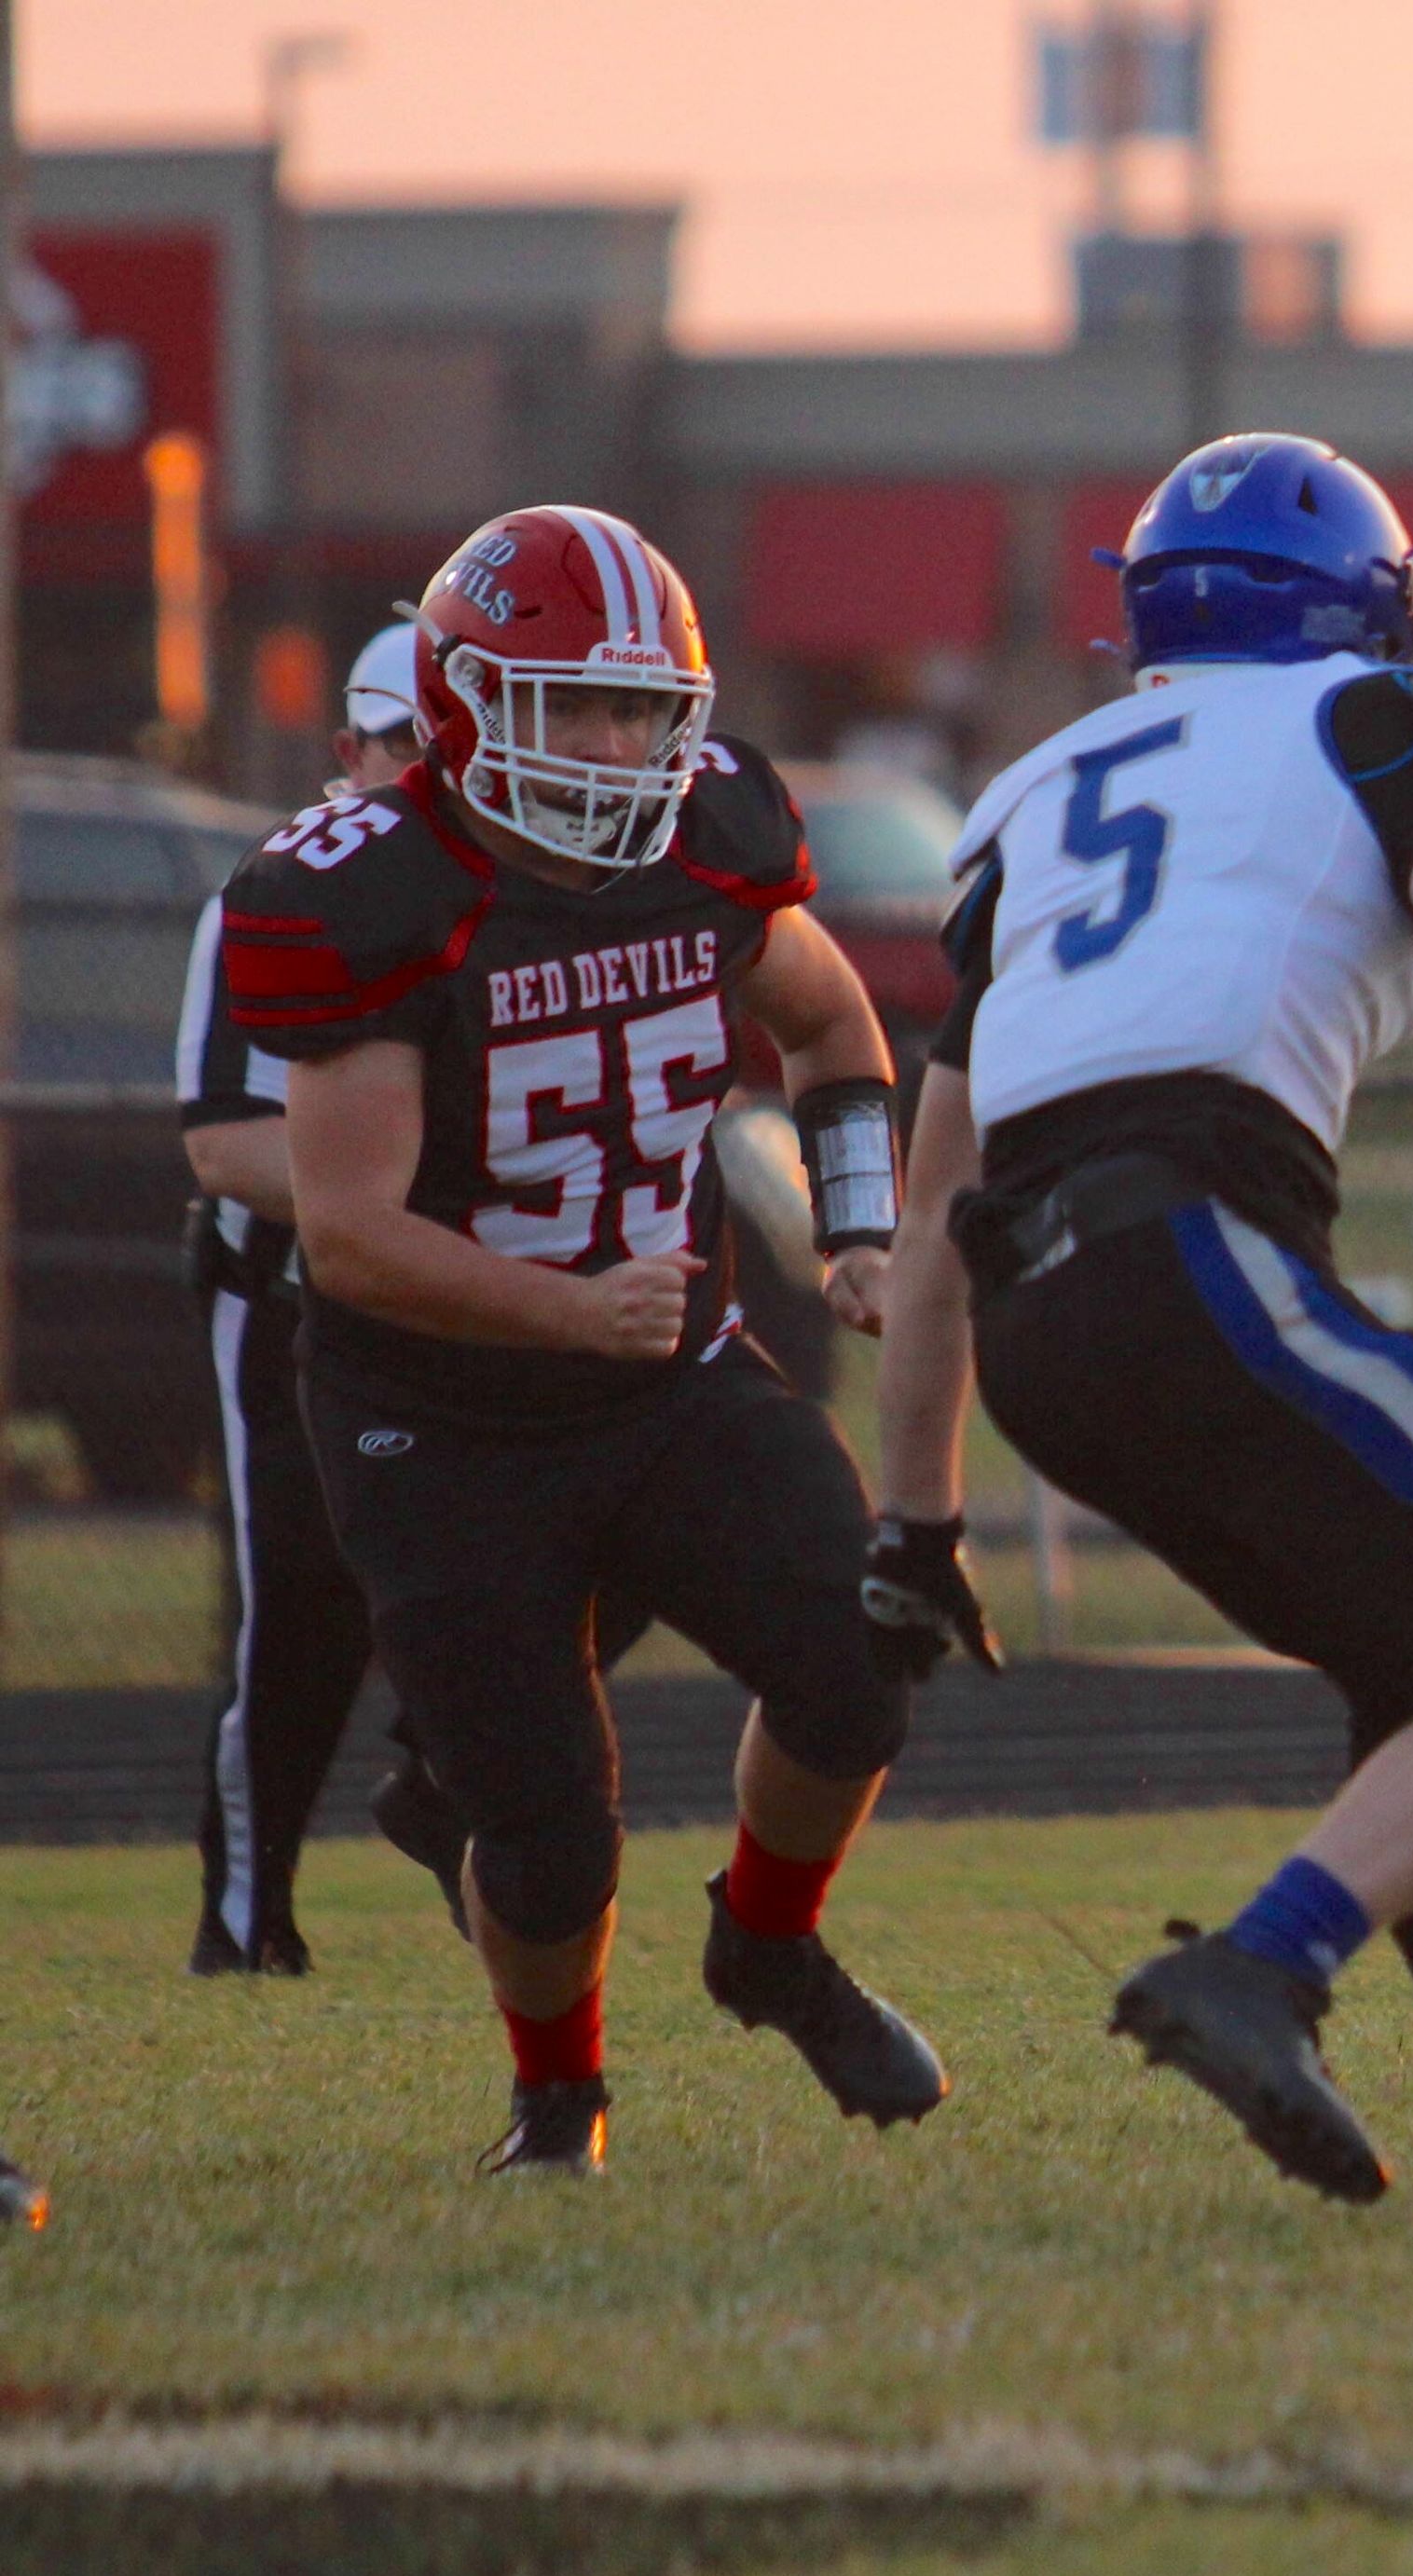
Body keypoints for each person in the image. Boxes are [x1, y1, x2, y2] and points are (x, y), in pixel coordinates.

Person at [869, 432, 1413, 2207]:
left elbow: (939, 1189)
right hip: (1191, 1250)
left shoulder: (1029, 798)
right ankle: (1261, 1966)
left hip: (1047, 1331)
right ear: (1366, 613)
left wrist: (918, 1518)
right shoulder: (1374, 725)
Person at [221, 506, 943, 2177]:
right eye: (574, 707)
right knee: (546, 1846)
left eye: (639, 709)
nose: (617, 746)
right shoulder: (376, 893)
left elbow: (831, 1022)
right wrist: (572, 1312)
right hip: (441, 1417)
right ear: (468, 702)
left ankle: (769, 1945)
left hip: (666, 1372)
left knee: (857, 1659)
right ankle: (559, 2099)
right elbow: (348, 1239)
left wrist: (854, 1225)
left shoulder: (709, 840)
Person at [172, 622, 427, 1973]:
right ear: (346, 752)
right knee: (304, 1612)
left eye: (442, 742)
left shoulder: (501, 888)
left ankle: (454, 1802)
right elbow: (222, 1141)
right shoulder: (278, 890)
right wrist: (405, 1197)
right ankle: (245, 1915)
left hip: (459, 1298)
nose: (419, 768)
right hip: (290, 1295)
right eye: (398, 742)